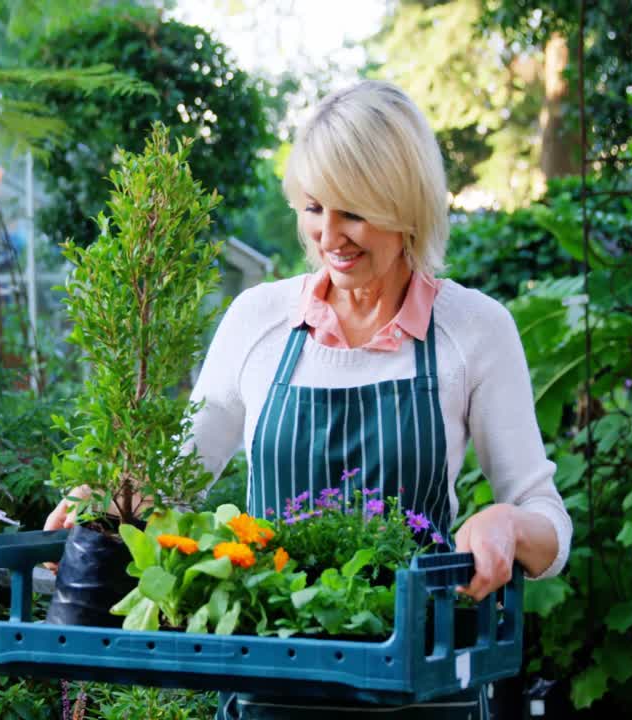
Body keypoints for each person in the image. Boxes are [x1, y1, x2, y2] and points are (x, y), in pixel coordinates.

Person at [44, 80, 572, 719]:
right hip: (269, 683)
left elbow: (546, 518)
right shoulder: (258, 321)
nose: (330, 236)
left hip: (423, 692)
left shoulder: (474, 330)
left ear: (406, 206)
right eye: (314, 207)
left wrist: (508, 524)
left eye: (354, 212)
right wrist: (110, 502)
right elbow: (175, 484)